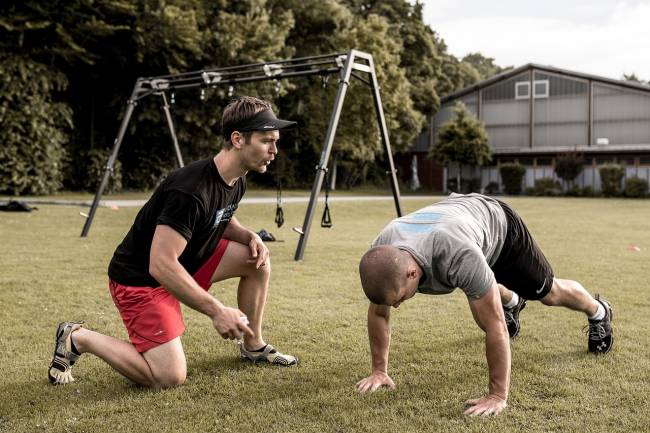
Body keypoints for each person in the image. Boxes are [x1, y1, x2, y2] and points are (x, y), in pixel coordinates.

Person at [48, 96, 298, 389]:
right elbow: (160, 264)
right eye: (267, 140)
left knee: (256, 260)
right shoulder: (190, 190)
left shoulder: (236, 178)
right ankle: (78, 337)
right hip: (142, 280)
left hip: (184, 262)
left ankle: (253, 345)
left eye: (275, 141)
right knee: (168, 377)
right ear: (238, 139)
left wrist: (248, 235)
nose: (274, 150)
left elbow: (219, 216)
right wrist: (217, 310)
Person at [355, 193, 613, 416]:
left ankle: (598, 311)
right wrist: (379, 370)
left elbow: (494, 325)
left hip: (500, 228)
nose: (397, 306)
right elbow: (379, 312)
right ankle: (512, 300)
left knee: (548, 293)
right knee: (480, 285)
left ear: (412, 274)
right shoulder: (382, 252)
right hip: (463, 221)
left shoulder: (457, 254)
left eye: (399, 298)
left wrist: (497, 396)